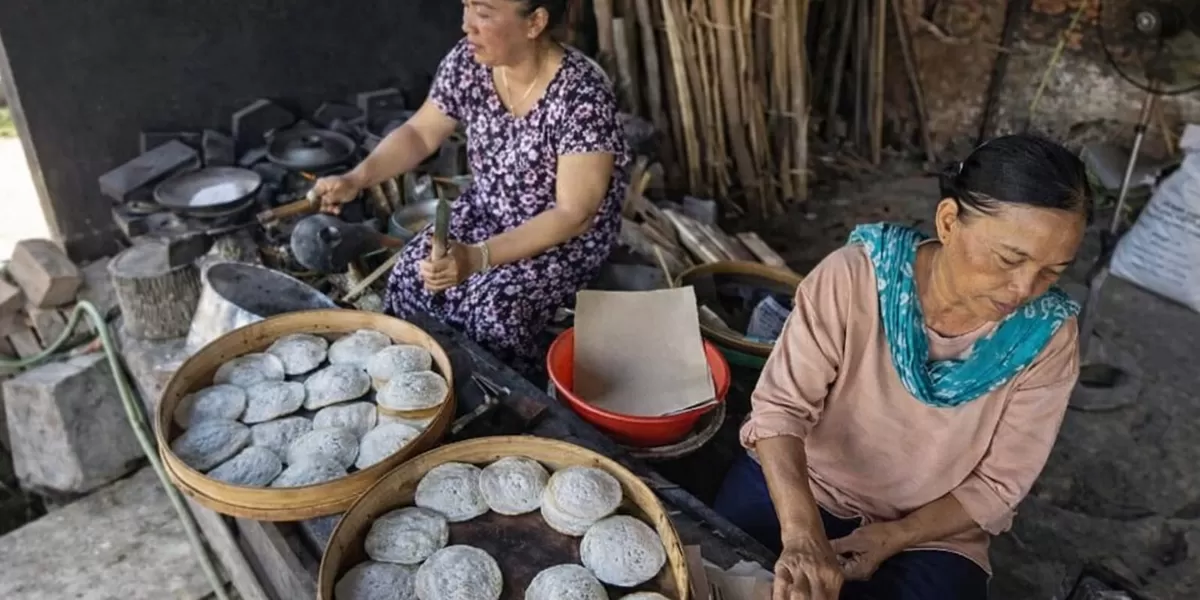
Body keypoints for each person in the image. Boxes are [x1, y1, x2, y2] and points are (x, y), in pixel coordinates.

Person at [714, 134, 1090, 600]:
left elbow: (997, 484)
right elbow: (779, 411)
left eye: (1052, 272)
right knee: (717, 575)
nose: (1023, 288)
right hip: (805, 484)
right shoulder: (855, 278)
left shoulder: (1047, 336)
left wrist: (894, 537)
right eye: (1009, 258)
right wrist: (803, 535)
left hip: (931, 530)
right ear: (950, 221)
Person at [311, 0, 630, 372]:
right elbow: (420, 132)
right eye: (466, 7)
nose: (467, 26)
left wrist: (477, 257)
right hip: (488, 209)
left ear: (535, 22)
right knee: (411, 277)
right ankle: (418, 386)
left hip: (559, 239)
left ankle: (498, 404)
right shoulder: (470, 61)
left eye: (484, 12)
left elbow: (574, 214)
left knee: (492, 310)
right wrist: (356, 179)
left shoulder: (582, 97)